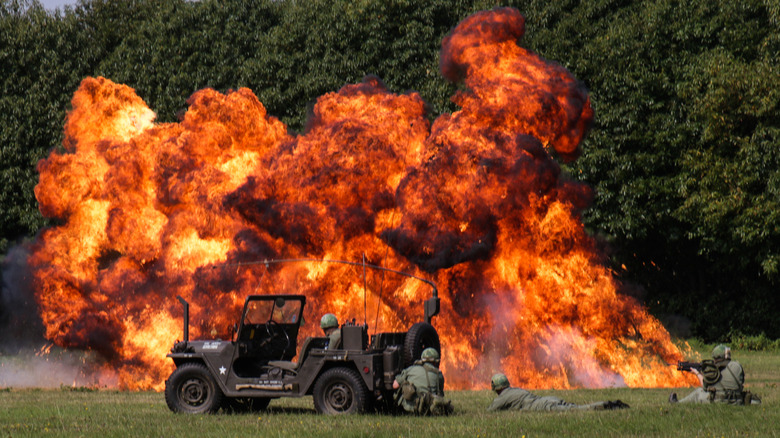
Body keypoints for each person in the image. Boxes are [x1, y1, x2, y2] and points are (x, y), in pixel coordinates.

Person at [670, 344, 761, 405]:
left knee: (698, 392)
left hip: (718, 400)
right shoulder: (737, 366)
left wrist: (697, 373)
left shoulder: (714, 370)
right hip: (737, 401)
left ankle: (677, 403)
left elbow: (705, 387)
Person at [487, 373, 629, 411]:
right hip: (548, 399)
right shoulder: (515, 390)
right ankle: (606, 405)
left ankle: (606, 405)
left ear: (497, 388)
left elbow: (490, 411)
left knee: (577, 410)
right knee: (572, 407)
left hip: (543, 406)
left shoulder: (503, 398)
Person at [393, 347, 453, 415]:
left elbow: (395, 385)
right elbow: (440, 395)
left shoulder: (410, 369)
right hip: (429, 410)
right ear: (435, 362)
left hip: (409, 408)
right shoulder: (438, 374)